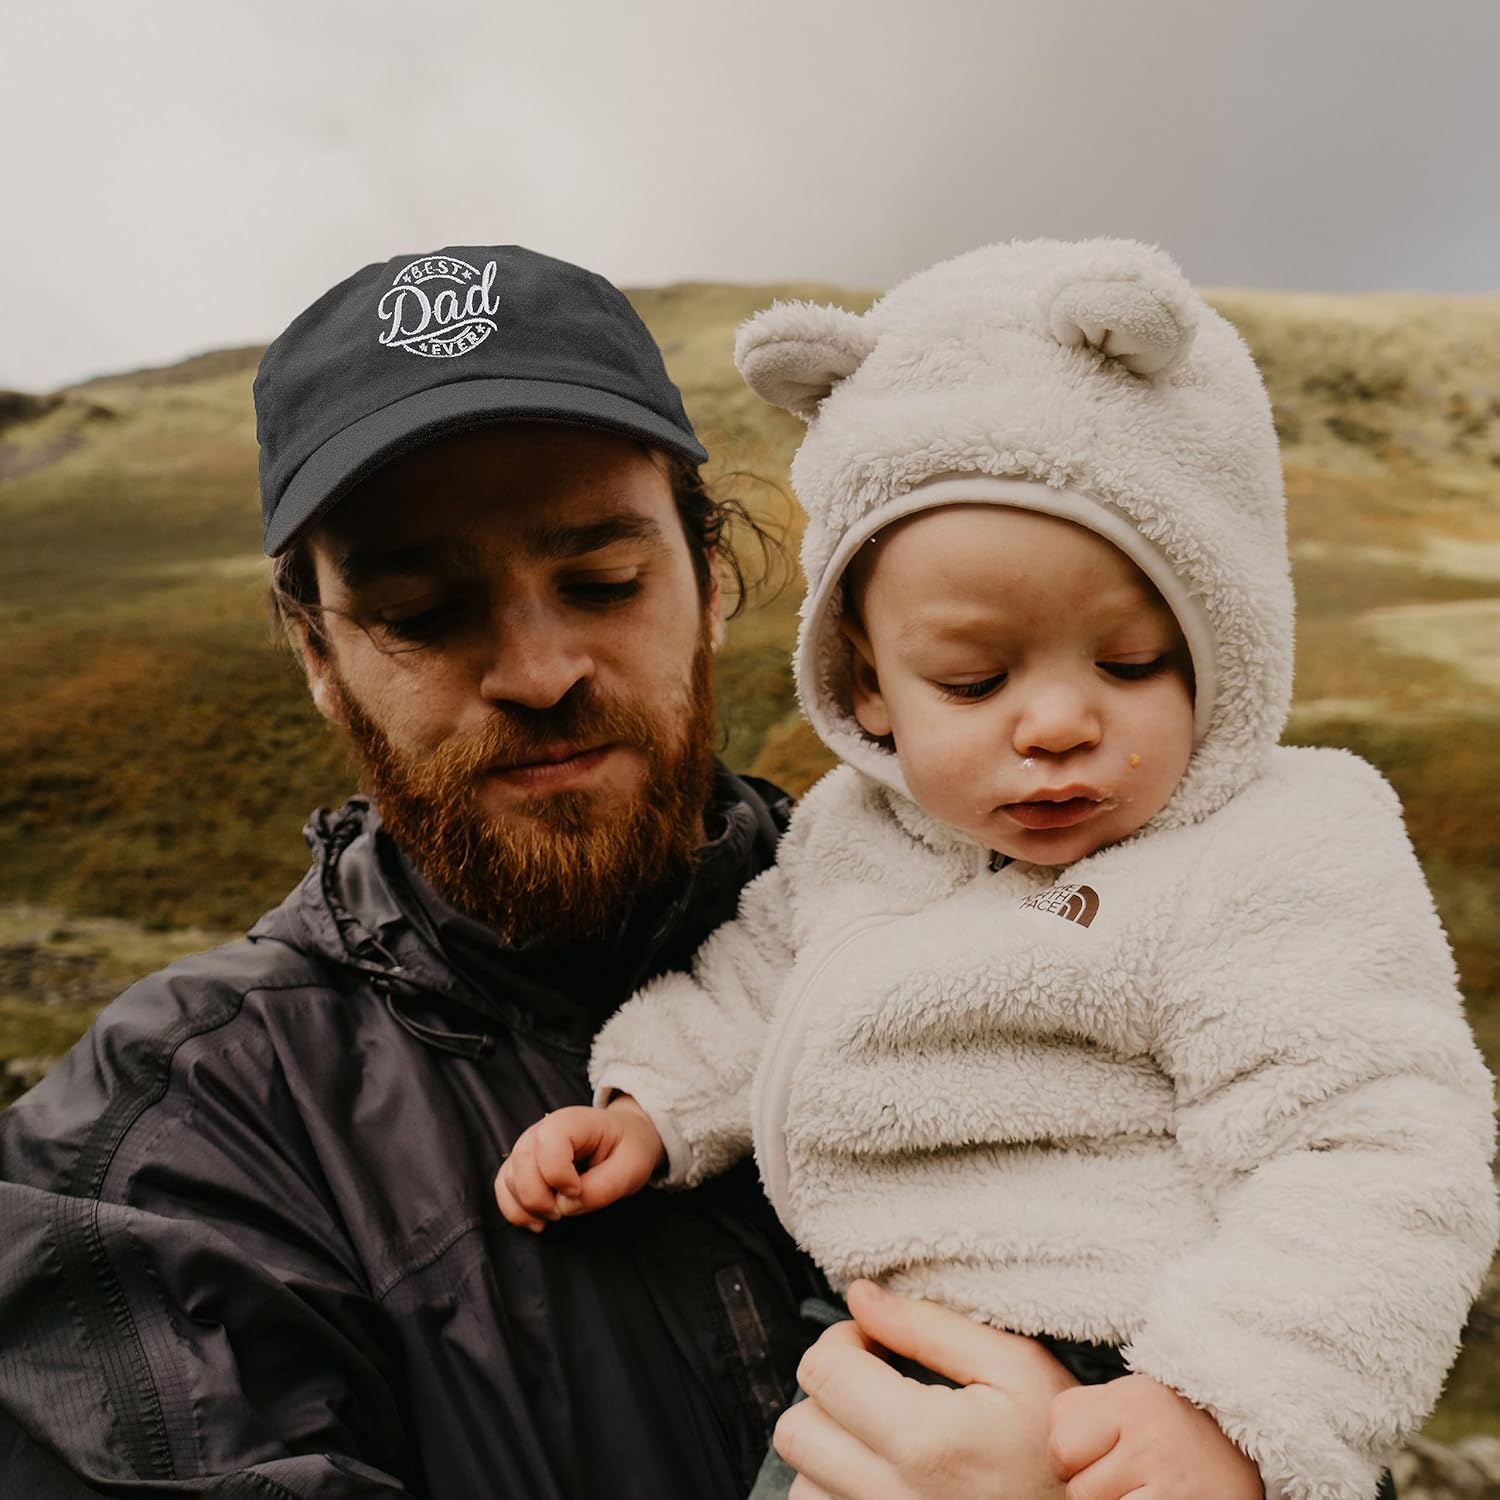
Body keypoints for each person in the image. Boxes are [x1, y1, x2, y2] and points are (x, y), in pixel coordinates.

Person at [0, 242, 1083, 1500]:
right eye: (422, 612)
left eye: (602, 582)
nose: (536, 671)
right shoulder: (163, 1150)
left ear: (712, 580)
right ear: (316, 655)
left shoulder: (1022, 917)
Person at [496, 238, 1500, 1500]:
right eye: (974, 681)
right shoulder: (856, 836)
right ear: (869, 683)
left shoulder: (1272, 848)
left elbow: (1377, 1145)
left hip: (1130, 1373)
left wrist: (1235, 1413)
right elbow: (762, 980)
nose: (1059, 724)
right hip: (878, 1365)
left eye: (1132, 663)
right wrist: (650, 1104)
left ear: (1226, 639)